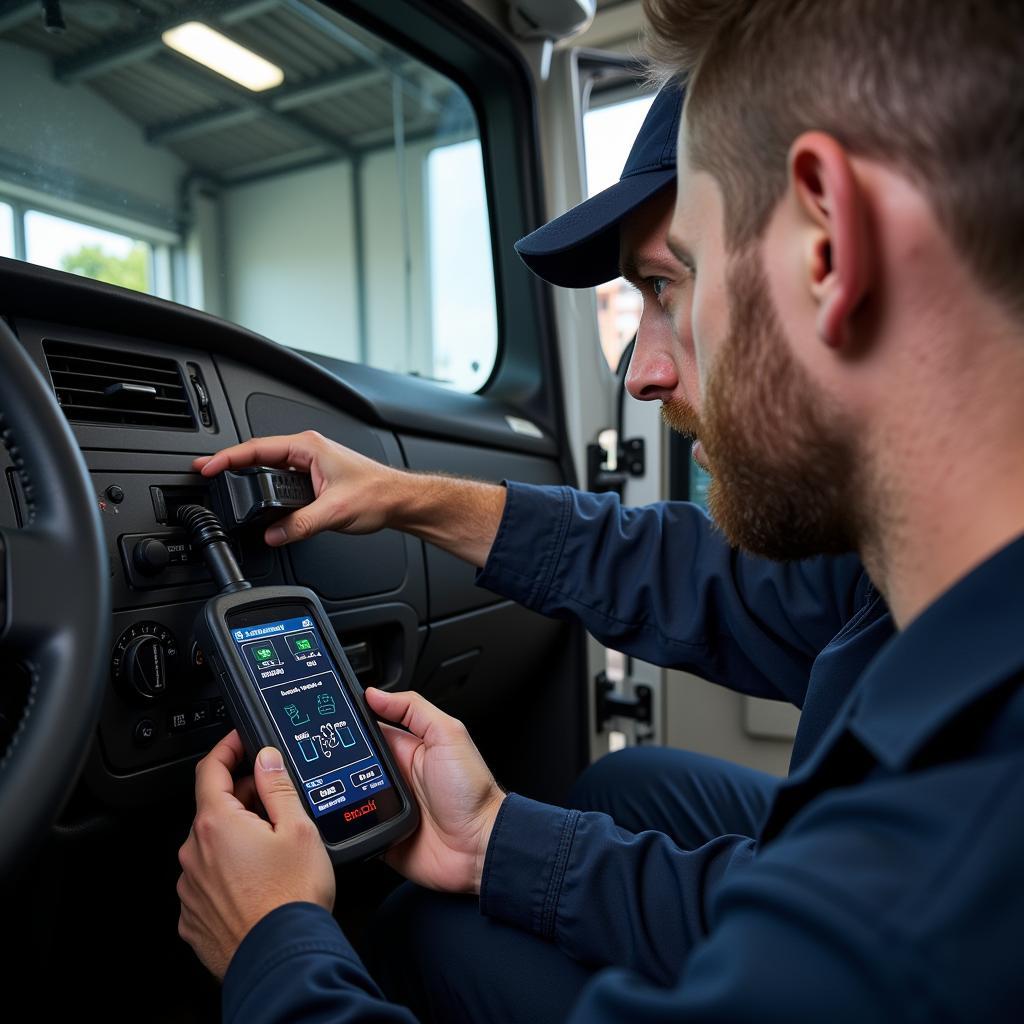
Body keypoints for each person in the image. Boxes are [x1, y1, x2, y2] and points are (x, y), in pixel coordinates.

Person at [177, 2, 1024, 1020]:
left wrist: (273, 946)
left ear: (828, 245)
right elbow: (704, 578)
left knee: (411, 933)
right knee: (633, 787)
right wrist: (489, 835)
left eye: (672, 282)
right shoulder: (919, 583)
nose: (644, 370)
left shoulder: (926, 883)